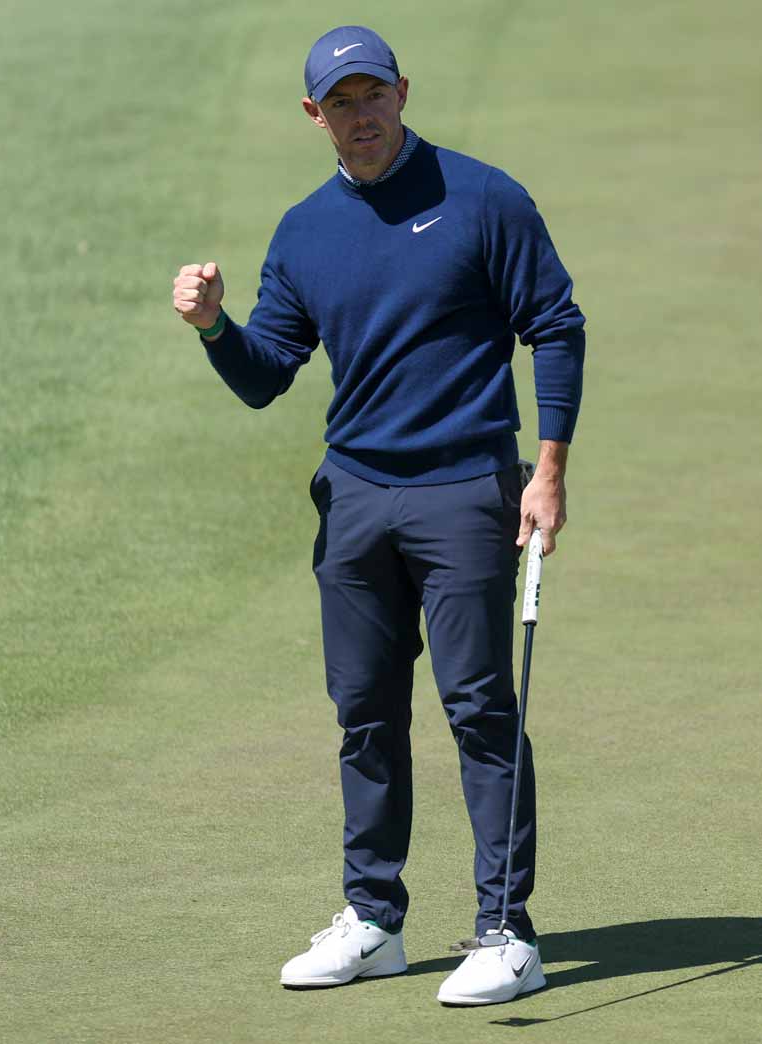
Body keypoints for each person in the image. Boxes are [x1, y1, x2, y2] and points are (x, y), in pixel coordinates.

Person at [169, 24, 583, 1007]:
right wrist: (214, 328)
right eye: (338, 103)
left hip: (464, 491)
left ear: (401, 90)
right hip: (355, 500)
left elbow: (555, 327)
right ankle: (374, 920)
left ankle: (505, 930)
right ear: (314, 115)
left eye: (372, 95)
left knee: (479, 709)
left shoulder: (484, 198)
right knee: (362, 715)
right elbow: (268, 375)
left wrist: (549, 471)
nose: (359, 117)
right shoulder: (305, 230)